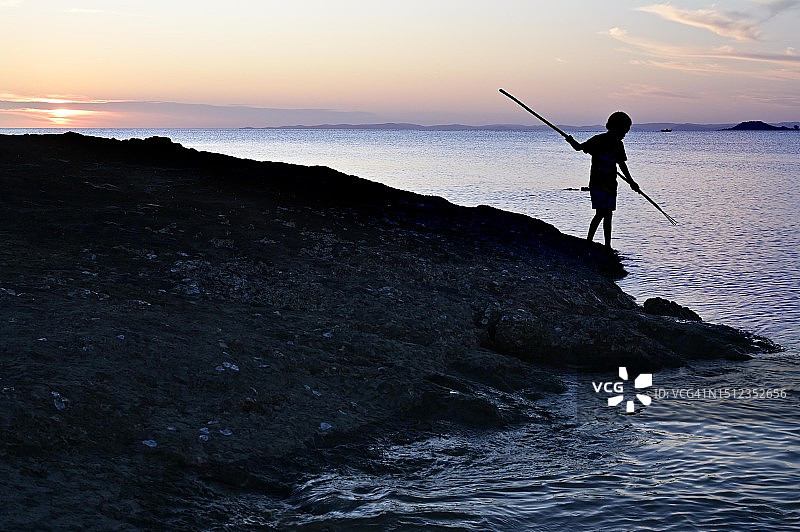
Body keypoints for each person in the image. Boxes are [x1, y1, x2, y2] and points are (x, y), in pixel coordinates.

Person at [566, 112, 640, 251]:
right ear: (615, 128)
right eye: (624, 131)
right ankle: (589, 241)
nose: (624, 134)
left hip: (611, 184)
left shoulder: (615, 144)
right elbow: (579, 148)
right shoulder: (599, 141)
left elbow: (622, 165)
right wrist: (570, 140)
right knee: (601, 213)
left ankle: (607, 244)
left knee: (608, 214)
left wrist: (631, 182)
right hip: (598, 183)